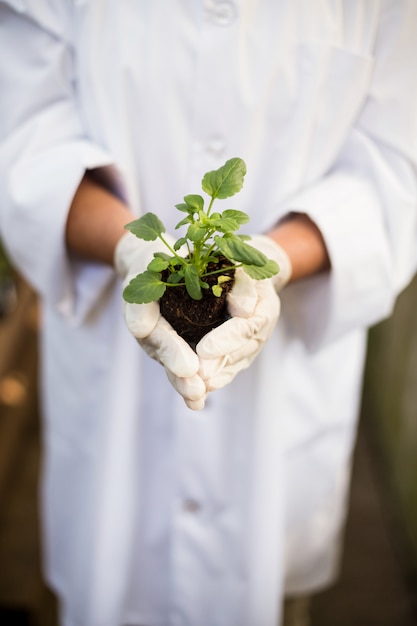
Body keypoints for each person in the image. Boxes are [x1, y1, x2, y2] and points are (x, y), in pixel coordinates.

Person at [1, 2, 417, 625]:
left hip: (282, 409)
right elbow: (25, 138)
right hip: (110, 397)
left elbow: (396, 168)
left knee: (270, 592)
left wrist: (271, 260)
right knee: (110, 576)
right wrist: (132, 246)